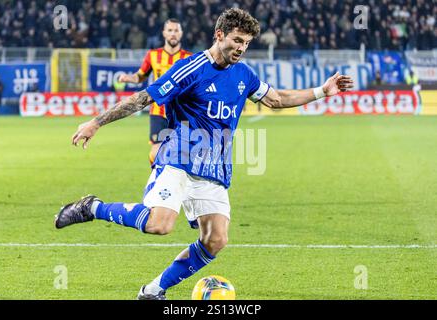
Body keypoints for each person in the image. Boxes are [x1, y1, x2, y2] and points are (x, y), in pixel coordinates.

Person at [54, 8, 353, 300]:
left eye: (247, 43)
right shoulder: (192, 68)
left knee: (216, 240)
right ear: (219, 34)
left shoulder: (243, 74)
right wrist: (96, 122)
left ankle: (153, 290)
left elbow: (276, 99)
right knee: (160, 225)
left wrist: (321, 91)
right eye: (237, 40)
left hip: (215, 168)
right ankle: (92, 208)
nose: (241, 48)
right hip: (179, 159)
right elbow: (144, 97)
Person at [118, 18, 191, 165]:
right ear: (164, 33)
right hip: (158, 110)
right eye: (170, 30)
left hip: (181, 112)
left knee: (182, 155)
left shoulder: (189, 58)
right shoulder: (153, 55)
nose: (173, 34)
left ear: (181, 33)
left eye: (176, 30)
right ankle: (157, 180)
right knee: (156, 151)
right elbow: (140, 76)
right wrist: (128, 78)